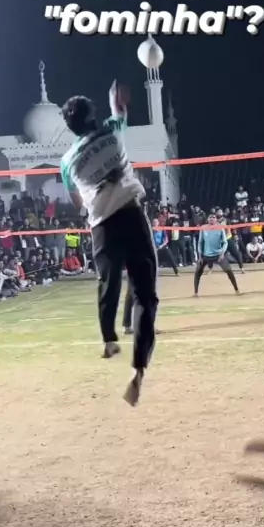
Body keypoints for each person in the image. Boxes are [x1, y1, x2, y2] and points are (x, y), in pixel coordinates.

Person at [60, 81, 158, 406]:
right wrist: (115, 102)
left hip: (102, 226)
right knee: (145, 295)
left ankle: (108, 339)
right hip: (131, 215)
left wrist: (92, 198)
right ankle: (139, 368)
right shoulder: (111, 132)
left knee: (108, 283)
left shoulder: (67, 161)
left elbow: (76, 201)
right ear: (92, 116)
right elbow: (120, 113)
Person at [194, 214, 240, 296]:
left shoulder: (220, 228)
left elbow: (225, 242)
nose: (211, 219)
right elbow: (200, 242)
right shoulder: (203, 228)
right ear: (207, 219)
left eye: (213, 217)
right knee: (197, 272)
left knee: (229, 270)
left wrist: (222, 253)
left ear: (216, 220)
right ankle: (195, 293)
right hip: (205, 255)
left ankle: (237, 290)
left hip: (218, 254)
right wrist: (200, 256)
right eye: (210, 217)